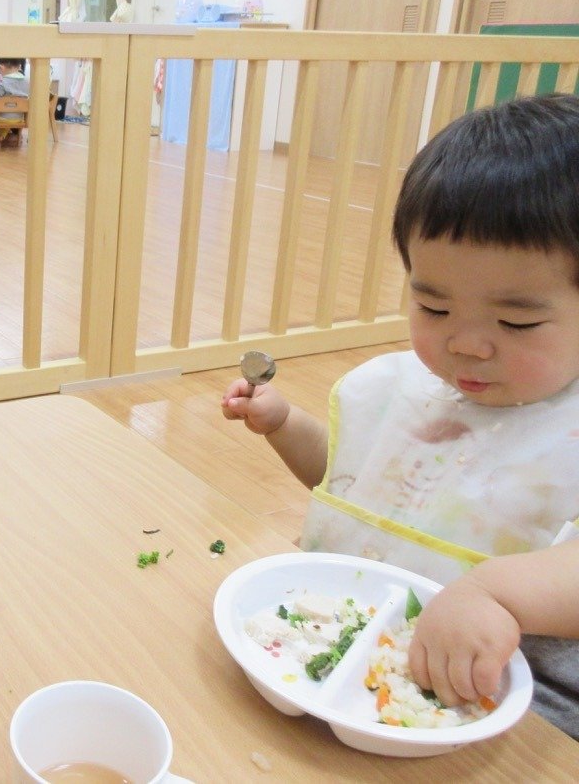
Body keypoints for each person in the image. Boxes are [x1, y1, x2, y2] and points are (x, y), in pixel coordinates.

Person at [220, 93, 579, 740]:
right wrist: (284, 424)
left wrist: (496, 592)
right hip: (340, 657)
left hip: (513, 711)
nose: (466, 343)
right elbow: (356, 483)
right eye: (434, 309)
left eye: (516, 321)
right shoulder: (408, 391)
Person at [0, 57, 30, 147]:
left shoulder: (3, 83)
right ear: (19, 67)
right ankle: (1, 135)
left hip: (2, 117)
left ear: (1, 67)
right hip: (20, 118)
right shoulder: (27, 82)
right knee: (9, 117)